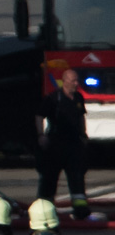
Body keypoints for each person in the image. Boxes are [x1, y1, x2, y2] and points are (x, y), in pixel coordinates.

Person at [36, 68, 91, 220]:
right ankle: (44, 209)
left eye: (77, 80)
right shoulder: (54, 98)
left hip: (74, 144)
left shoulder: (78, 97)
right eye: (73, 80)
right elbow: (39, 116)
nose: (76, 83)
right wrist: (41, 136)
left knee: (77, 176)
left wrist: (84, 135)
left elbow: (81, 117)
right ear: (65, 80)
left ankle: (80, 208)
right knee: (49, 177)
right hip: (56, 144)